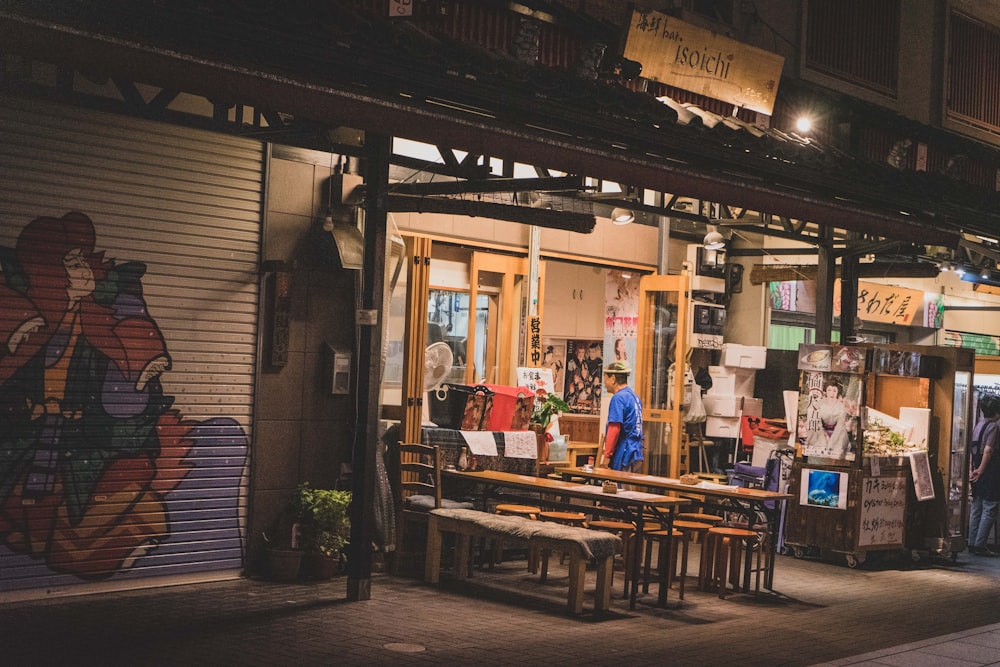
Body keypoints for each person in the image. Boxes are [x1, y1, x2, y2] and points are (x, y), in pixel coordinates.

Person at [968, 395, 1000, 556]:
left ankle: (972, 542)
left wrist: (973, 468)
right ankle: (980, 545)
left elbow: (973, 448)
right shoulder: (993, 426)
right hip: (989, 470)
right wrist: (981, 469)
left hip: (976, 466)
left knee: (976, 506)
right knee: (989, 507)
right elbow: (988, 449)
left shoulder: (979, 425)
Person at [600, 360, 644, 472]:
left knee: (619, 488)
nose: (604, 383)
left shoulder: (618, 398)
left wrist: (607, 456)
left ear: (613, 379)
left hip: (624, 452)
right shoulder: (634, 397)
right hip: (636, 452)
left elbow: (614, 428)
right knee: (628, 488)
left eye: (605, 378)